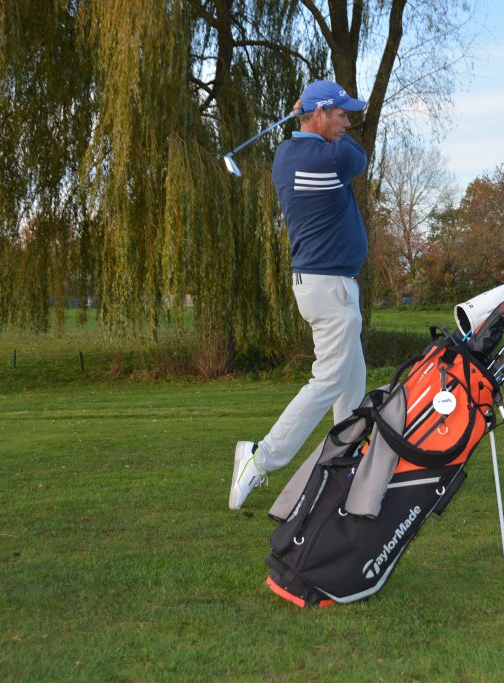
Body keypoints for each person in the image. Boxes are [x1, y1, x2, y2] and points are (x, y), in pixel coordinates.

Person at [229, 80, 369, 510]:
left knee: (351, 382)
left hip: (322, 284)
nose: (347, 122)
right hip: (330, 287)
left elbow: (329, 142)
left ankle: (347, 465)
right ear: (319, 114)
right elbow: (357, 158)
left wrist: (304, 115)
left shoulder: (287, 154)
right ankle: (260, 459)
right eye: (341, 114)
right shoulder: (332, 155)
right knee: (328, 380)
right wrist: (309, 118)